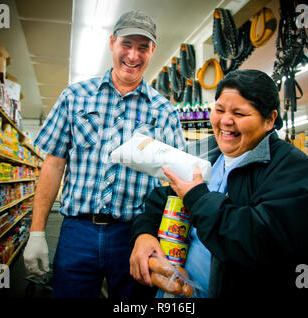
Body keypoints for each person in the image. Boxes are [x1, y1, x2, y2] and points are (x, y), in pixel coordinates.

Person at [129, 69, 308, 298]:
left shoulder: (293, 169)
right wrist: (144, 234)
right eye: (219, 110)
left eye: (239, 113)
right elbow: (162, 198)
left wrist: (198, 199)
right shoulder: (205, 155)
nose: (225, 120)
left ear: (269, 120)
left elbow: (262, 242)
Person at [23, 10, 186, 298]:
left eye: (143, 47)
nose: (133, 56)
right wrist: (37, 232)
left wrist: (173, 244)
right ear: (112, 42)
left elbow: (176, 181)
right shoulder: (75, 97)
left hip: (134, 236)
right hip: (77, 232)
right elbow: (53, 165)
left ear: (153, 51)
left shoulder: (164, 111)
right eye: (127, 44)